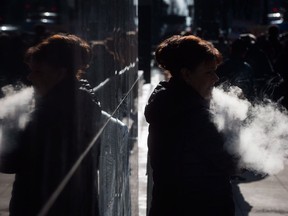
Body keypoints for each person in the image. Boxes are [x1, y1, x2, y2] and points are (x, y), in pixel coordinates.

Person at [0, 33, 102, 215]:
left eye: (38, 71)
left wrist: (11, 125)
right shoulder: (84, 99)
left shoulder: (48, 114)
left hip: (40, 204)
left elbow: (10, 162)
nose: (30, 77)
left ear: (60, 73)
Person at [145, 35, 237, 216]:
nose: (216, 78)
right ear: (186, 74)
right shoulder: (196, 117)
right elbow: (231, 162)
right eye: (208, 72)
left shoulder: (167, 102)